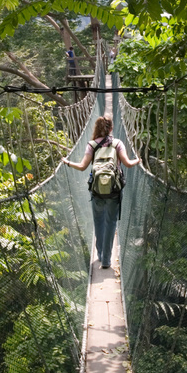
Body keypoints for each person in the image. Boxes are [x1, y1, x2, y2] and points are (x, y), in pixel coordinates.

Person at [61, 114, 140, 269]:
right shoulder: (118, 144)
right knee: (110, 222)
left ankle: (99, 253)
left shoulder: (91, 145)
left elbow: (83, 166)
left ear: (96, 128)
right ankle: (106, 259)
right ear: (111, 128)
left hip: (97, 190)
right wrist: (138, 160)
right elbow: (128, 164)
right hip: (114, 189)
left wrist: (68, 162)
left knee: (98, 221)